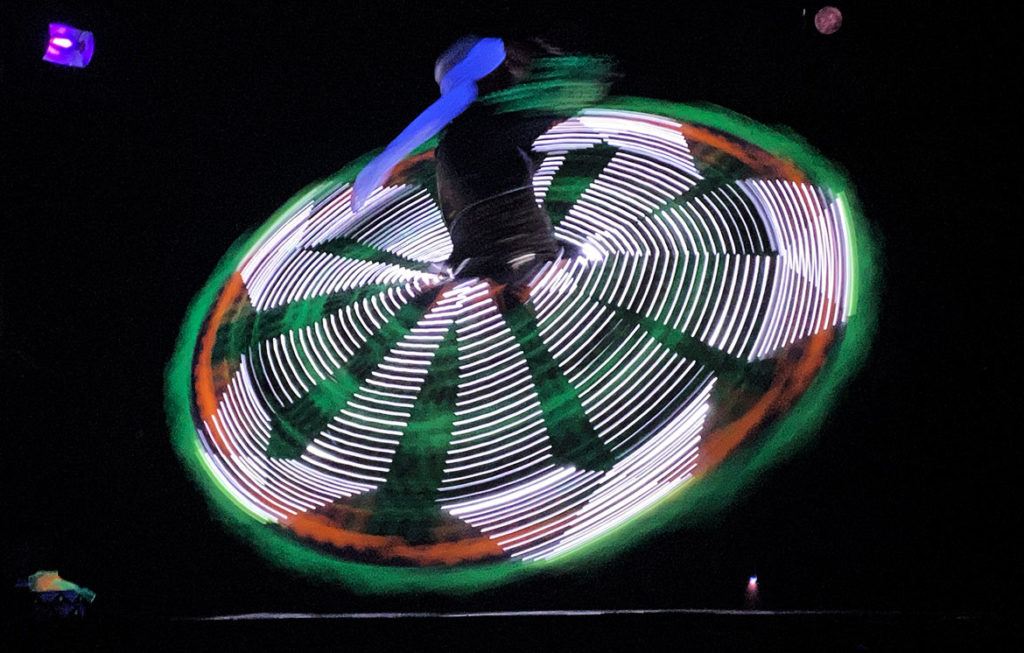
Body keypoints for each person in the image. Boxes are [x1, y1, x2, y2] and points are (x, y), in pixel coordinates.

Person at [352, 36, 613, 286]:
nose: (514, 71)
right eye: (506, 65)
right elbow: (575, 93)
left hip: (479, 259)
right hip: (520, 253)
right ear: (491, 76)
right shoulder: (487, 124)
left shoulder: (453, 141)